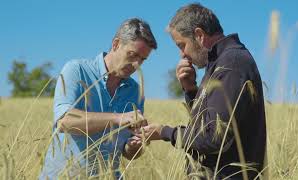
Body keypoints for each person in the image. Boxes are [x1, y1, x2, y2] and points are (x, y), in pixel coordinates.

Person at [135, 3, 266, 180]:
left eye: (182, 45)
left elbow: (213, 137)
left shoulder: (232, 64)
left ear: (199, 35)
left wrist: (165, 132)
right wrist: (190, 90)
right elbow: (207, 123)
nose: (182, 54)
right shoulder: (219, 64)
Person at [39, 18, 157, 179]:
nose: (136, 64)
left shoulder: (136, 91)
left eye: (142, 60)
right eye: (132, 55)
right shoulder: (77, 70)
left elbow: (128, 152)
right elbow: (64, 121)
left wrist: (134, 146)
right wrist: (118, 118)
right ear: (116, 44)